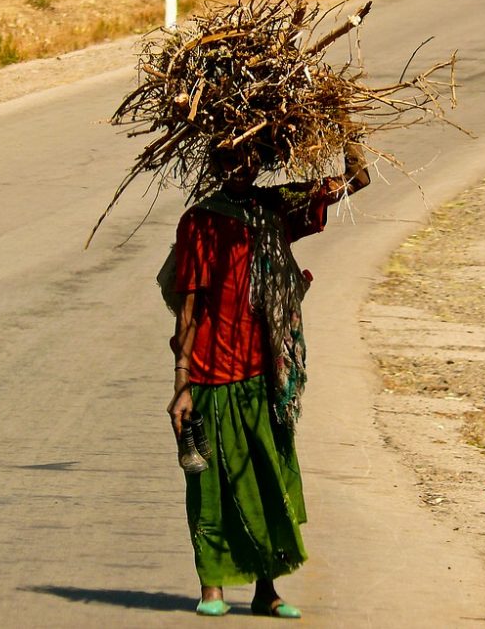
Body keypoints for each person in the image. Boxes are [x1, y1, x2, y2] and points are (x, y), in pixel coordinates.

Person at [165, 140, 370, 618]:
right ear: (213, 163)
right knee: (210, 484)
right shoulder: (199, 221)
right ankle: (211, 587)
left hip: (264, 373)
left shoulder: (277, 207)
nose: (238, 166)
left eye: (247, 156)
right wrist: (181, 385)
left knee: (266, 480)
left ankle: (266, 591)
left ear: (262, 158)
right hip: (210, 374)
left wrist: (347, 128)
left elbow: (356, 179)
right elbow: (189, 305)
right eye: (227, 158)